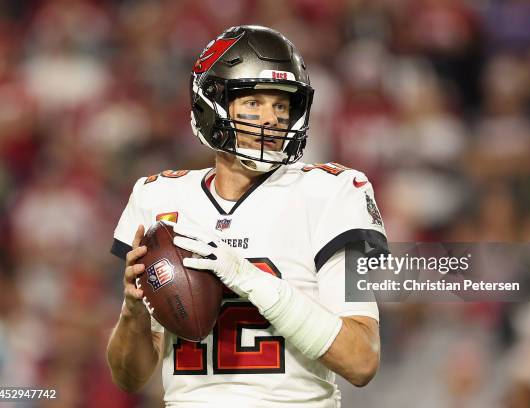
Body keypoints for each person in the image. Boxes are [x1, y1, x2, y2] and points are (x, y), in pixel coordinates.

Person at [106, 25, 388, 407]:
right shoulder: (157, 196)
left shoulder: (333, 192)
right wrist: (133, 310)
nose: (271, 118)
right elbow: (130, 376)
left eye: (282, 104)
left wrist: (248, 279)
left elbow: (361, 359)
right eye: (254, 102)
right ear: (211, 103)